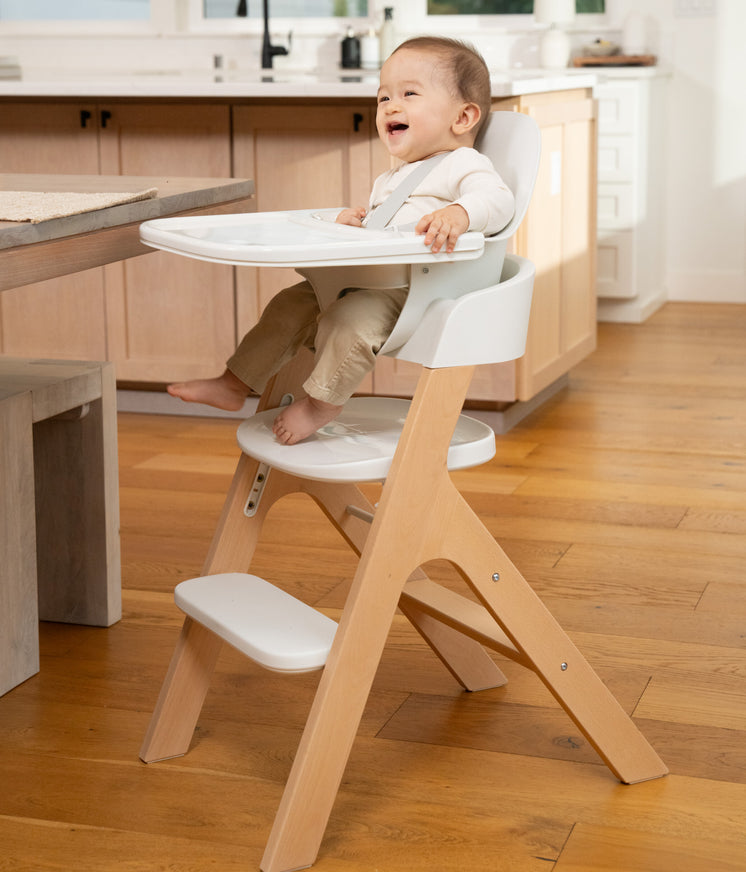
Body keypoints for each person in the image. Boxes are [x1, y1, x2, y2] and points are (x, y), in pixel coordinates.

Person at [168, 36, 515, 444]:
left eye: (409, 94)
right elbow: (388, 230)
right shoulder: (391, 178)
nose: (390, 106)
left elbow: (499, 200)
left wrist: (461, 213)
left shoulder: (464, 163)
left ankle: (322, 404)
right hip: (365, 277)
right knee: (289, 304)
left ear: (463, 117)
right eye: (383, 97)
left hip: (414, 290)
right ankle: (234, 383)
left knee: (347, 322)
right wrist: (356, 223)